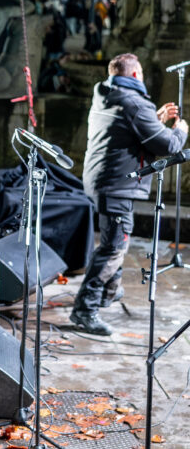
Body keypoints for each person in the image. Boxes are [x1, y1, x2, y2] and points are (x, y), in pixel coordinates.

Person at [74, 53, 189, 335]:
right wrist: (180, 131)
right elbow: (168, 145)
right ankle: (85, 309)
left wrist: (155, 118)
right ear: (136, 75)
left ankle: (109, 291)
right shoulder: (135, 102)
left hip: (102, 180)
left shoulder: (107, 94)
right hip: (117, 185)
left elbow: (129, 132)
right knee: (115, 246)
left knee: (114, 241)